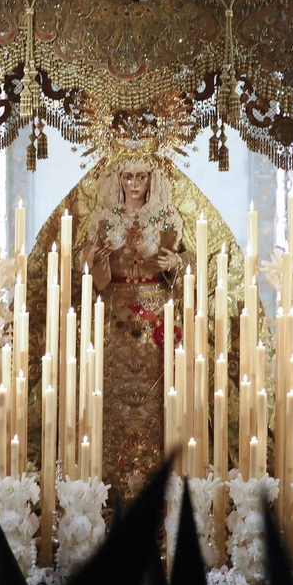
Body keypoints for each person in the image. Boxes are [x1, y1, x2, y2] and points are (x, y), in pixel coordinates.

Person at [77, 157, 185, 500]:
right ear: (118, 180)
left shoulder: (167, 217)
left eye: (141, 176)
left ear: (151, 180)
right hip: (115, 320)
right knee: (112, 395)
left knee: (157, 396)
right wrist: (93, 259)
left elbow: (183, 265)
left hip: (155, 319)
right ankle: (112, 479)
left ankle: (159, 479)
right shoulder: (105, 219)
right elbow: (86, 267)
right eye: (128, 176)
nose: (135, 184)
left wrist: (177, 264)